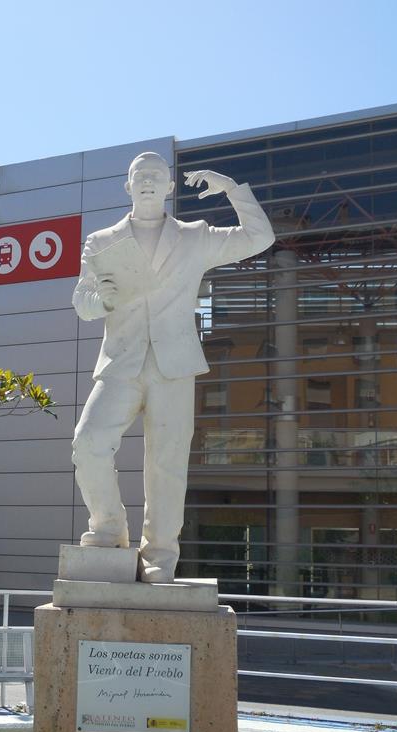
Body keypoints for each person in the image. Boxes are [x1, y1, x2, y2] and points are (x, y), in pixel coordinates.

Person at [72, 152, 275, 583]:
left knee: (166, 464)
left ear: (169, 187)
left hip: (174, 366)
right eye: (139, 176)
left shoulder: (194, 237)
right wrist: (101, 302)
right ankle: (108, 526)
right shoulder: (101, 241)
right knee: (88, 443)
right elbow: (82, 301)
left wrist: (232, 189)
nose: (147, 182)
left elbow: (259, 238)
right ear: (127, 186)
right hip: (120, 364)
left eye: (156, 176)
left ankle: (159, 554)